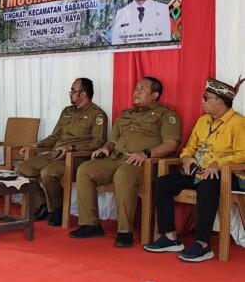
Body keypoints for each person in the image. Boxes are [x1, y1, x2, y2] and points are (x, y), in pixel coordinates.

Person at [69, 77, 181, 248]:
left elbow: (171, 144)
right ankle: (90, 224)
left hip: (144, 162)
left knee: (123, 175)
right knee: (85, 169)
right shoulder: (125, 114)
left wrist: (146, 153)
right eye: (136, 88)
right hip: (116, 158)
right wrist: (105, 148)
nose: (136, 92)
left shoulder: (166, 115)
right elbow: (112, 141)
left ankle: (124, 231)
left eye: (142, 89)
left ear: (155, 95)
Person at [144, 77, 245, 262]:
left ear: (219, 102)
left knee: (206, 186)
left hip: (227, 175)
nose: (202, 102)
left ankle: (203, 245)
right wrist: (186, 158)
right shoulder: (202, 121)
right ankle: (170, 237)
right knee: (162, 183)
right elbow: (189, 148)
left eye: (206, 98)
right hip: (198, 171)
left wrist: (219, 163)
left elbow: (242, 154)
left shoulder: (237, 122)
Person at [15, 78, 107, 225]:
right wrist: (35, 145)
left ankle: (57, 209)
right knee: (22, 168)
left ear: (83, 94)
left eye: (73, 91)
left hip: (77, 158)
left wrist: (72, 148)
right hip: (56, 154)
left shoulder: (97, 114)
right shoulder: (67, 111)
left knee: (47, 173)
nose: (70, 94)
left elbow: (97, 143)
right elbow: (55, 137)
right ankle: (43, 204)